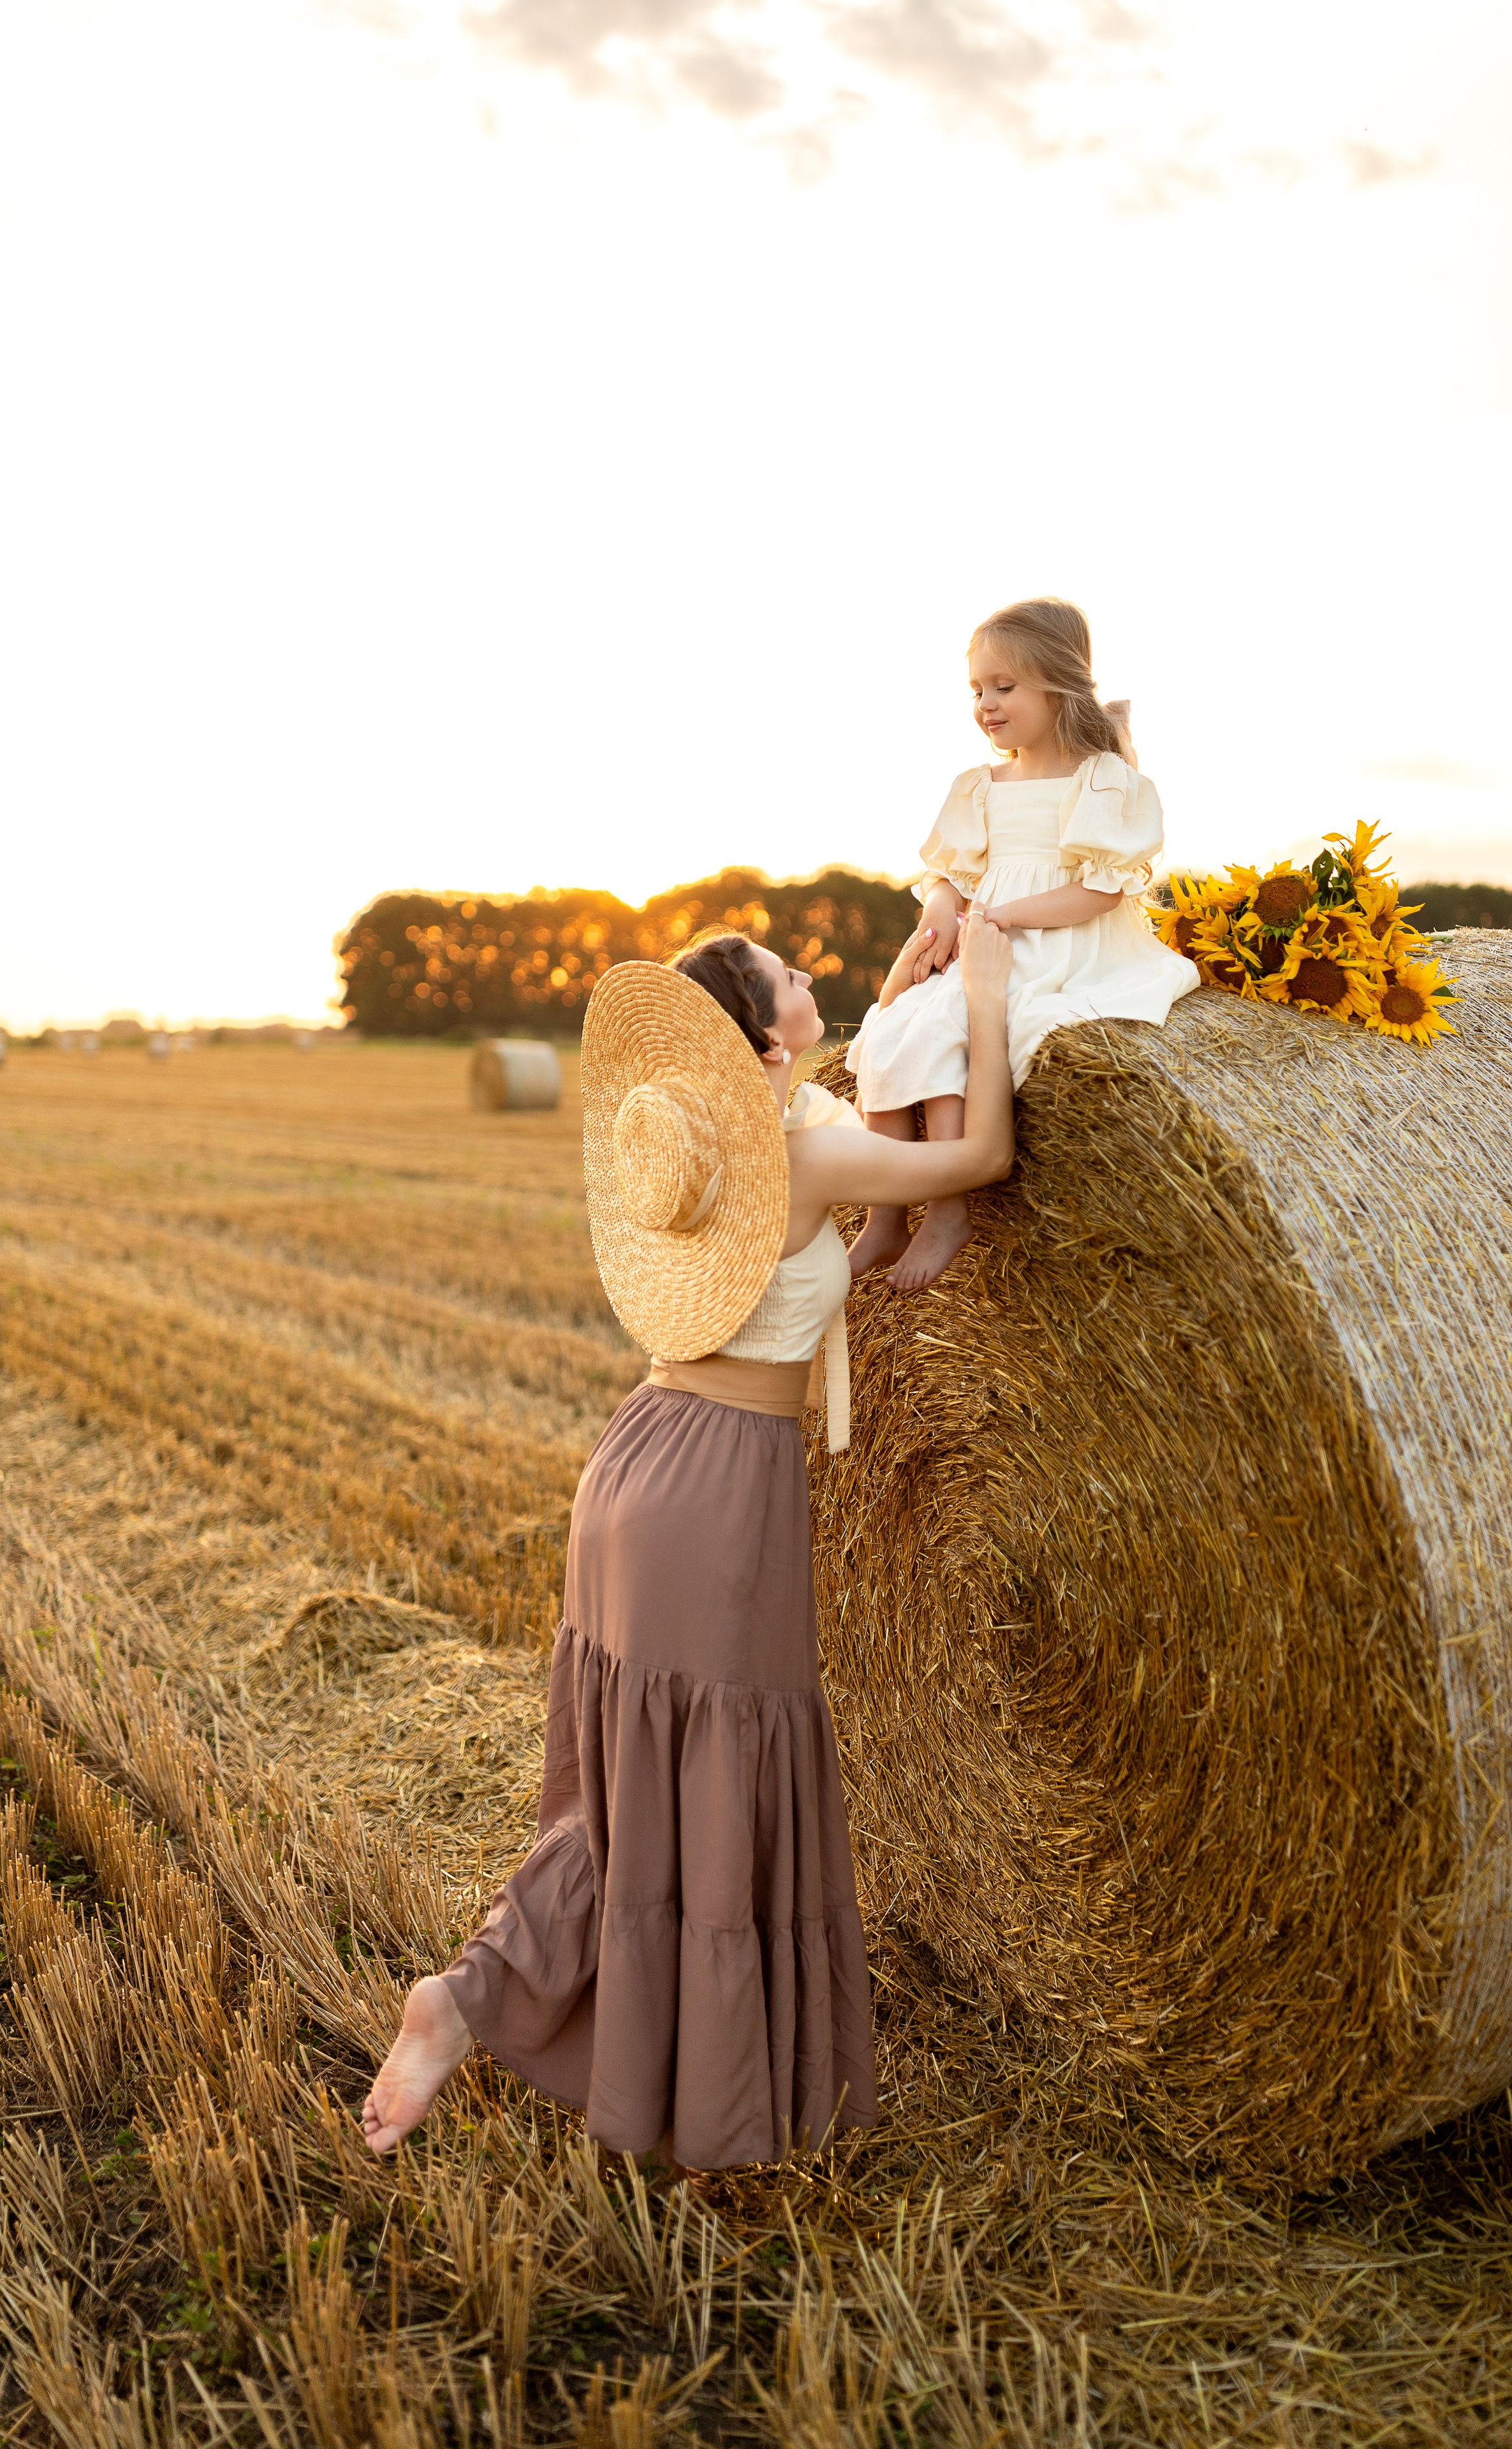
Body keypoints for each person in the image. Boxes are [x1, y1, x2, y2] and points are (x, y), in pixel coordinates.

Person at [361, 909, 1016, 2169]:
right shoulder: (806, 1164)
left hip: (639, 1467)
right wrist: (983, 994)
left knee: (631, 1791)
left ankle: (495, 1997)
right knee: (699, 1783)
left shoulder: (722, 1139)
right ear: (764, 1041)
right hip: (715, 1494)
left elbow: (843, 1079)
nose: (809, 976)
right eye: (788, 978)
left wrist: (914, 966)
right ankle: (466, 2001)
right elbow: (977, 1150)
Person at [846, 596, 1199, 1292]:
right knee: (889, 1031)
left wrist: (1001, 916)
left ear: (1059, 683)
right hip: (986, 930)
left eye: (1004, 687)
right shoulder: (979, 785)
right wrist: (945, 910)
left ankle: (948, 1208)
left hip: (1061, 941)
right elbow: (948, 874)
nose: (986, 704)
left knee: (957, 1028)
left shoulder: (1102, 779)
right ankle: (883, 1212)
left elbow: (1100, 890)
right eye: (976, 690)